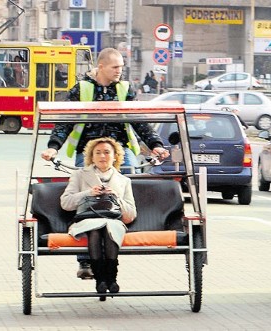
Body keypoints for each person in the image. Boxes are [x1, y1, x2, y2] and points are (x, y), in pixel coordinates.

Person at [41, 47, 169, 279]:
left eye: (121, 67)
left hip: (119, 151)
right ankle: (85, 260)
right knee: (85, 195)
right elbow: (65, 121)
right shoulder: (81, 88)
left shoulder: (126, 89)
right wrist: (53, 146)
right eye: (115, 67)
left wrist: (156, 144)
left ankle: (123, 236)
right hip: (88, 151)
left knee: (129, 188)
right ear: (101, 67)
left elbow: (138, 120)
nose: (120, 71)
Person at [60, 137, 136, 294]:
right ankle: (101, 279)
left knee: (109, 227)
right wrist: (88, 193)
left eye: (107, 152)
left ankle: (111, 279)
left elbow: (130, 215)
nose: (102, 156)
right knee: (94, 230)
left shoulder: (123, 180)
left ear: (115, 156)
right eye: (98, 153)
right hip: (86, 220)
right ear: (91, 157)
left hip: (112, 220)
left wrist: (116, 197)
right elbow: (66, 203)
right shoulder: (79, 175)